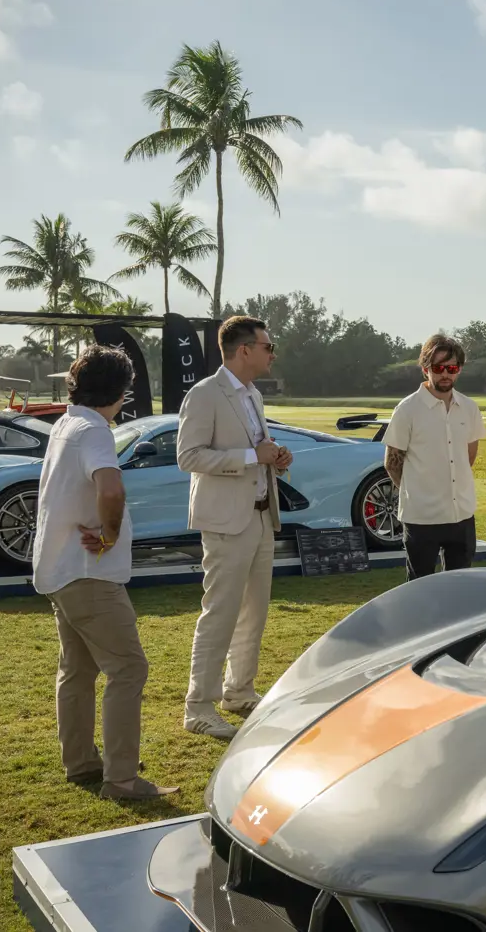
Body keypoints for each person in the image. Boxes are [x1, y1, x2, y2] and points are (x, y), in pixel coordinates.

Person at [32, 343, 178, 800]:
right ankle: (121, 779)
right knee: (128, 668)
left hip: (60, 569)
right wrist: (111, 535)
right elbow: (110, 490)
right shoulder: (94, 430)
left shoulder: (66, 423)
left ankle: (81, 763)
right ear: (120, 392)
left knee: (77, 669)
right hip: (88, 573)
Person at [175, 315, 291, 740]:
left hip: (260, 515)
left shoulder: (252, 394)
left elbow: (255, 450)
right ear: (244, 350)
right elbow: (188, 457)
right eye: (267, 346)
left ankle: (239, 691)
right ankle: (198, 707)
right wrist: (251, 457)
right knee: (220, 614)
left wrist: (274, 458)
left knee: (254, 612)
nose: (272, 354)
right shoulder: (205, 394)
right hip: (226, 521)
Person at [383, 334, 486, 579]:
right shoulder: (407, 409)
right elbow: (392, 463)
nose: (445, 374)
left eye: (452, 368)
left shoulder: (469, 408)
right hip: (421, 519)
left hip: (461, 515)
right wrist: (417, 492)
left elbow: (468, 457)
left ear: (459, 369)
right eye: (438, 368)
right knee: (420, 591)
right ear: (425, 369)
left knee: (459, 589)